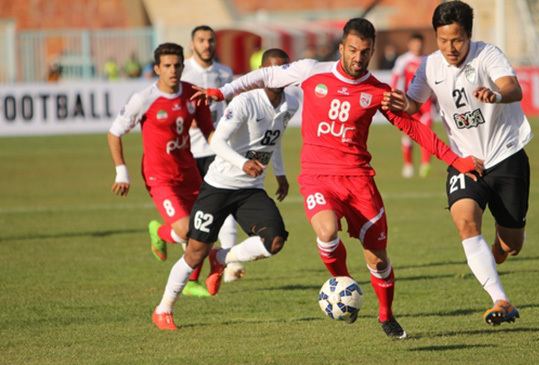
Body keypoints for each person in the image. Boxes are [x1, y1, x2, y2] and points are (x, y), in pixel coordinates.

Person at [192, 18, 483, 339]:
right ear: (342, 47)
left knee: (378, 257)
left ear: (372, 52)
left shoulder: (378, 91)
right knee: (327, 233)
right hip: (318, 177)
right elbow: (266, 74)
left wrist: (456, 160)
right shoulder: (312, 70)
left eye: (366, 52)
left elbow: (413, 128)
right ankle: (344, 286)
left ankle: (386, 315)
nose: (359, 57)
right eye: (354, 50)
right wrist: (223, 91)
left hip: (359, 181)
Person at [382, 0, 531, 326]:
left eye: (457, 40)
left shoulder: (488, 55)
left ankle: (498, 251)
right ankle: (500, 300)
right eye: (443, 40)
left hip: (506, 156)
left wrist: (496, 95)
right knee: (464, 220)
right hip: (465, 162)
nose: (450, 48)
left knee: (511, 243)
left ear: (469, 35)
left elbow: (513, 88)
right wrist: (399, 101)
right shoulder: (430, 66)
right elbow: (412, 103)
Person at [151, 49, 299, 330]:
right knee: (194, 252)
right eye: (273, 70)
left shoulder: (291, 102)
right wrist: (243, 164)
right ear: (262, 72)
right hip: (219, 186)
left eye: (284, 70)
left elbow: (275, 139)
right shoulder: (245, 101)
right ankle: (163, 308)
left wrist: (279, 172)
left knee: (275, 241)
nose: (279, 76)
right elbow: (217, 142)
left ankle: (220, 258)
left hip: (251, 189)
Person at [107, 43, 215, 297]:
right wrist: (121, 171)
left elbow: (208, 131)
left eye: (177, 65)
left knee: (204, 228)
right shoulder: (143, 99)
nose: (173, 70)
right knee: (186, 230)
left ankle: (191, 282)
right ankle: (158, 231)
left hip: (189, 172)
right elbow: (114, 132)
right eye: (167, 66)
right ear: (157, 68)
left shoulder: (192, 93)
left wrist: (228, 153)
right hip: (160, 176)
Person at [175, 25, 242, 297]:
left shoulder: (225, 73)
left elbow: (230, 109)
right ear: (192, 44)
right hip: (189, 152)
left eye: (210, 40)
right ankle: (190, 268)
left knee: (224, 205)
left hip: (217, 149)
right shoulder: (184, 73)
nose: (207, 44)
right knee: (194, 219)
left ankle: (229, 262)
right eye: (201, 40)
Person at [390, 33, 435, 179]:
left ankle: (425, 164)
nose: (418, 47)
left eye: (420, 44)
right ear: (410, 45)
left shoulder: (429, 60)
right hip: (409, 102)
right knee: (408, 135)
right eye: (415, 44)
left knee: (426, 131)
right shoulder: (403, 60)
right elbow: (395, 79)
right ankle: (408, 165)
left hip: (426, 103)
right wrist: (393, 98)